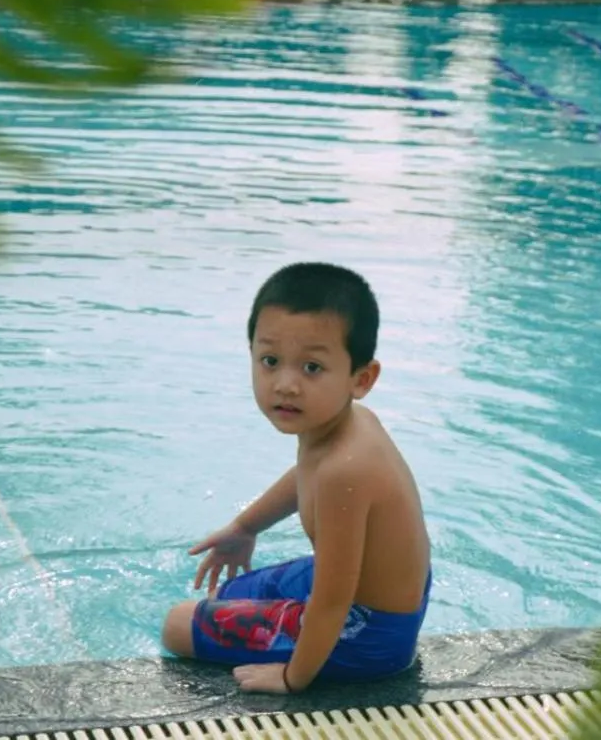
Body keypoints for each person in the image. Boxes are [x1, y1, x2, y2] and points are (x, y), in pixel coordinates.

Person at [161, 263, 432, 693]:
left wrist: (293, 678)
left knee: (177, 625)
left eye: (311, 368)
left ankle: (311, 664)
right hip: (381, 591)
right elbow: (304, 474)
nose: (285, 384)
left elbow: (332, 602)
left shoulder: (346, 471)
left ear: (361, 378)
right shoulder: (346, 426)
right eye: (270, 361)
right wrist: (245, 527)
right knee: (227, 594)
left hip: (367, 632)